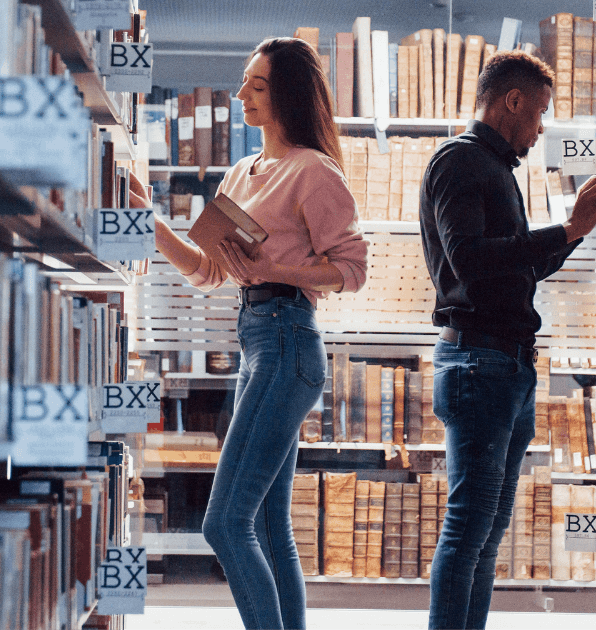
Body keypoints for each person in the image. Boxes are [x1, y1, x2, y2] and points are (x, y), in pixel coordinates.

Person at [137, 36, 368, 630]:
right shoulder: (243, 172)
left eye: (257, 85)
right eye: (244, 82)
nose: (242, 93)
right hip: (256, 341)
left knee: (224, 523)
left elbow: (352, 270)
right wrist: (150, 223)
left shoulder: (313, 171)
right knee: (267, 524)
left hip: (289, 338)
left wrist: (277, 269)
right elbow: (209, 270)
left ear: (287, 94)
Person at [419, 51, 596, 630]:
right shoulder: (462, 162)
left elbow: (519, 271)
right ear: (513, 101)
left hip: (502, 366)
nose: (540, 129)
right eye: (539, 115)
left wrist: (573, 234)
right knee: (468, 530)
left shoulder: (494, 168)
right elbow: (471, 263)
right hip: (479, 362)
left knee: (485, 535)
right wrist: (565, 228)